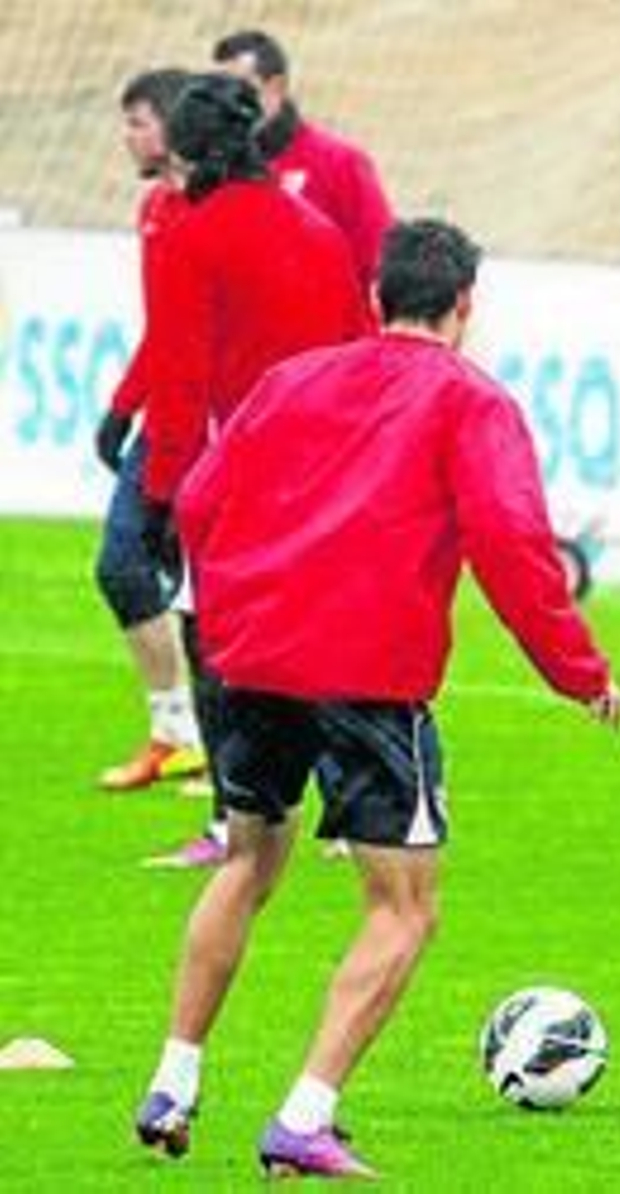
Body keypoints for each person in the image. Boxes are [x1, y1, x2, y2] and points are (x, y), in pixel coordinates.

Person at [133, 218, 620, 1178]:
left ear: (374, 299)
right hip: (364, 679)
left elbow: (198, 500)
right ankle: (304, 1116)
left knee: (247, 861)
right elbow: (515, 550)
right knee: (403, 907)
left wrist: (244, 610)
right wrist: (581, 673)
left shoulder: (292, 380)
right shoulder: (470, 402)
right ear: (465, 306)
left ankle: (172, 1082)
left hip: (249, 666)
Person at [135, 72, 371, 869]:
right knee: (326, 632)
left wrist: (164, 494)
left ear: (189, 150)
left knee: (216, 640)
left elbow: (180, 380)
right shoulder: (318, 231)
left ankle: (234, 817)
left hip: (236, 477)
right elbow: (358, 347)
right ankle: (350, 807)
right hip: (328, 468)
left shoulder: (190, 236)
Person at [92, 67, 206, 794]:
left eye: (138, 122)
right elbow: (164, 329)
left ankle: (238, 759)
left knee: (216, 597)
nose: (128, 136)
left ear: (172, 127)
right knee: (122, 566)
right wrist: (122, 407)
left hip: (209, 427)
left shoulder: (210, 213)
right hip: (164, 418)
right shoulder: (156, 209)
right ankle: (176, 731)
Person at [213, 28, 394, 289]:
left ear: (277, 86)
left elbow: (379, 266)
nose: (226, 104)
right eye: (217, 92)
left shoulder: (341, 163)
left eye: (238, 90)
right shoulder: (213, 170)